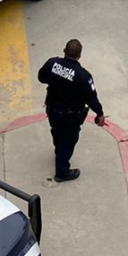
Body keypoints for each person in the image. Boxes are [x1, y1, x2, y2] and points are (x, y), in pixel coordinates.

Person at [37, 39, 106, 182]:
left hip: (53, 111)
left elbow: (41, 78)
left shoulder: (52, 63)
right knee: (68, 142)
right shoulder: (83, 76)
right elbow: (92, 99)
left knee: (57, 132)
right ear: (79, 55)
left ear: (64, 51)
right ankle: (62, 173)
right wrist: (100, 114)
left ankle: (59, 152)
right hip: (71, 117)